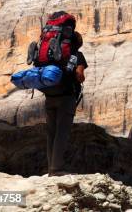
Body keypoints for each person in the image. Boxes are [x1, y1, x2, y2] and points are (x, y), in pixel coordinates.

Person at [41, 11, 87, 176]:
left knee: (51, 132)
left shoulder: (53, 54)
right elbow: (80, 76)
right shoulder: (77, 55)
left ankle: (50, 168)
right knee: (62, 132)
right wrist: (78, 75)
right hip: (66, 97)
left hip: (49, 95)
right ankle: (57, 169)